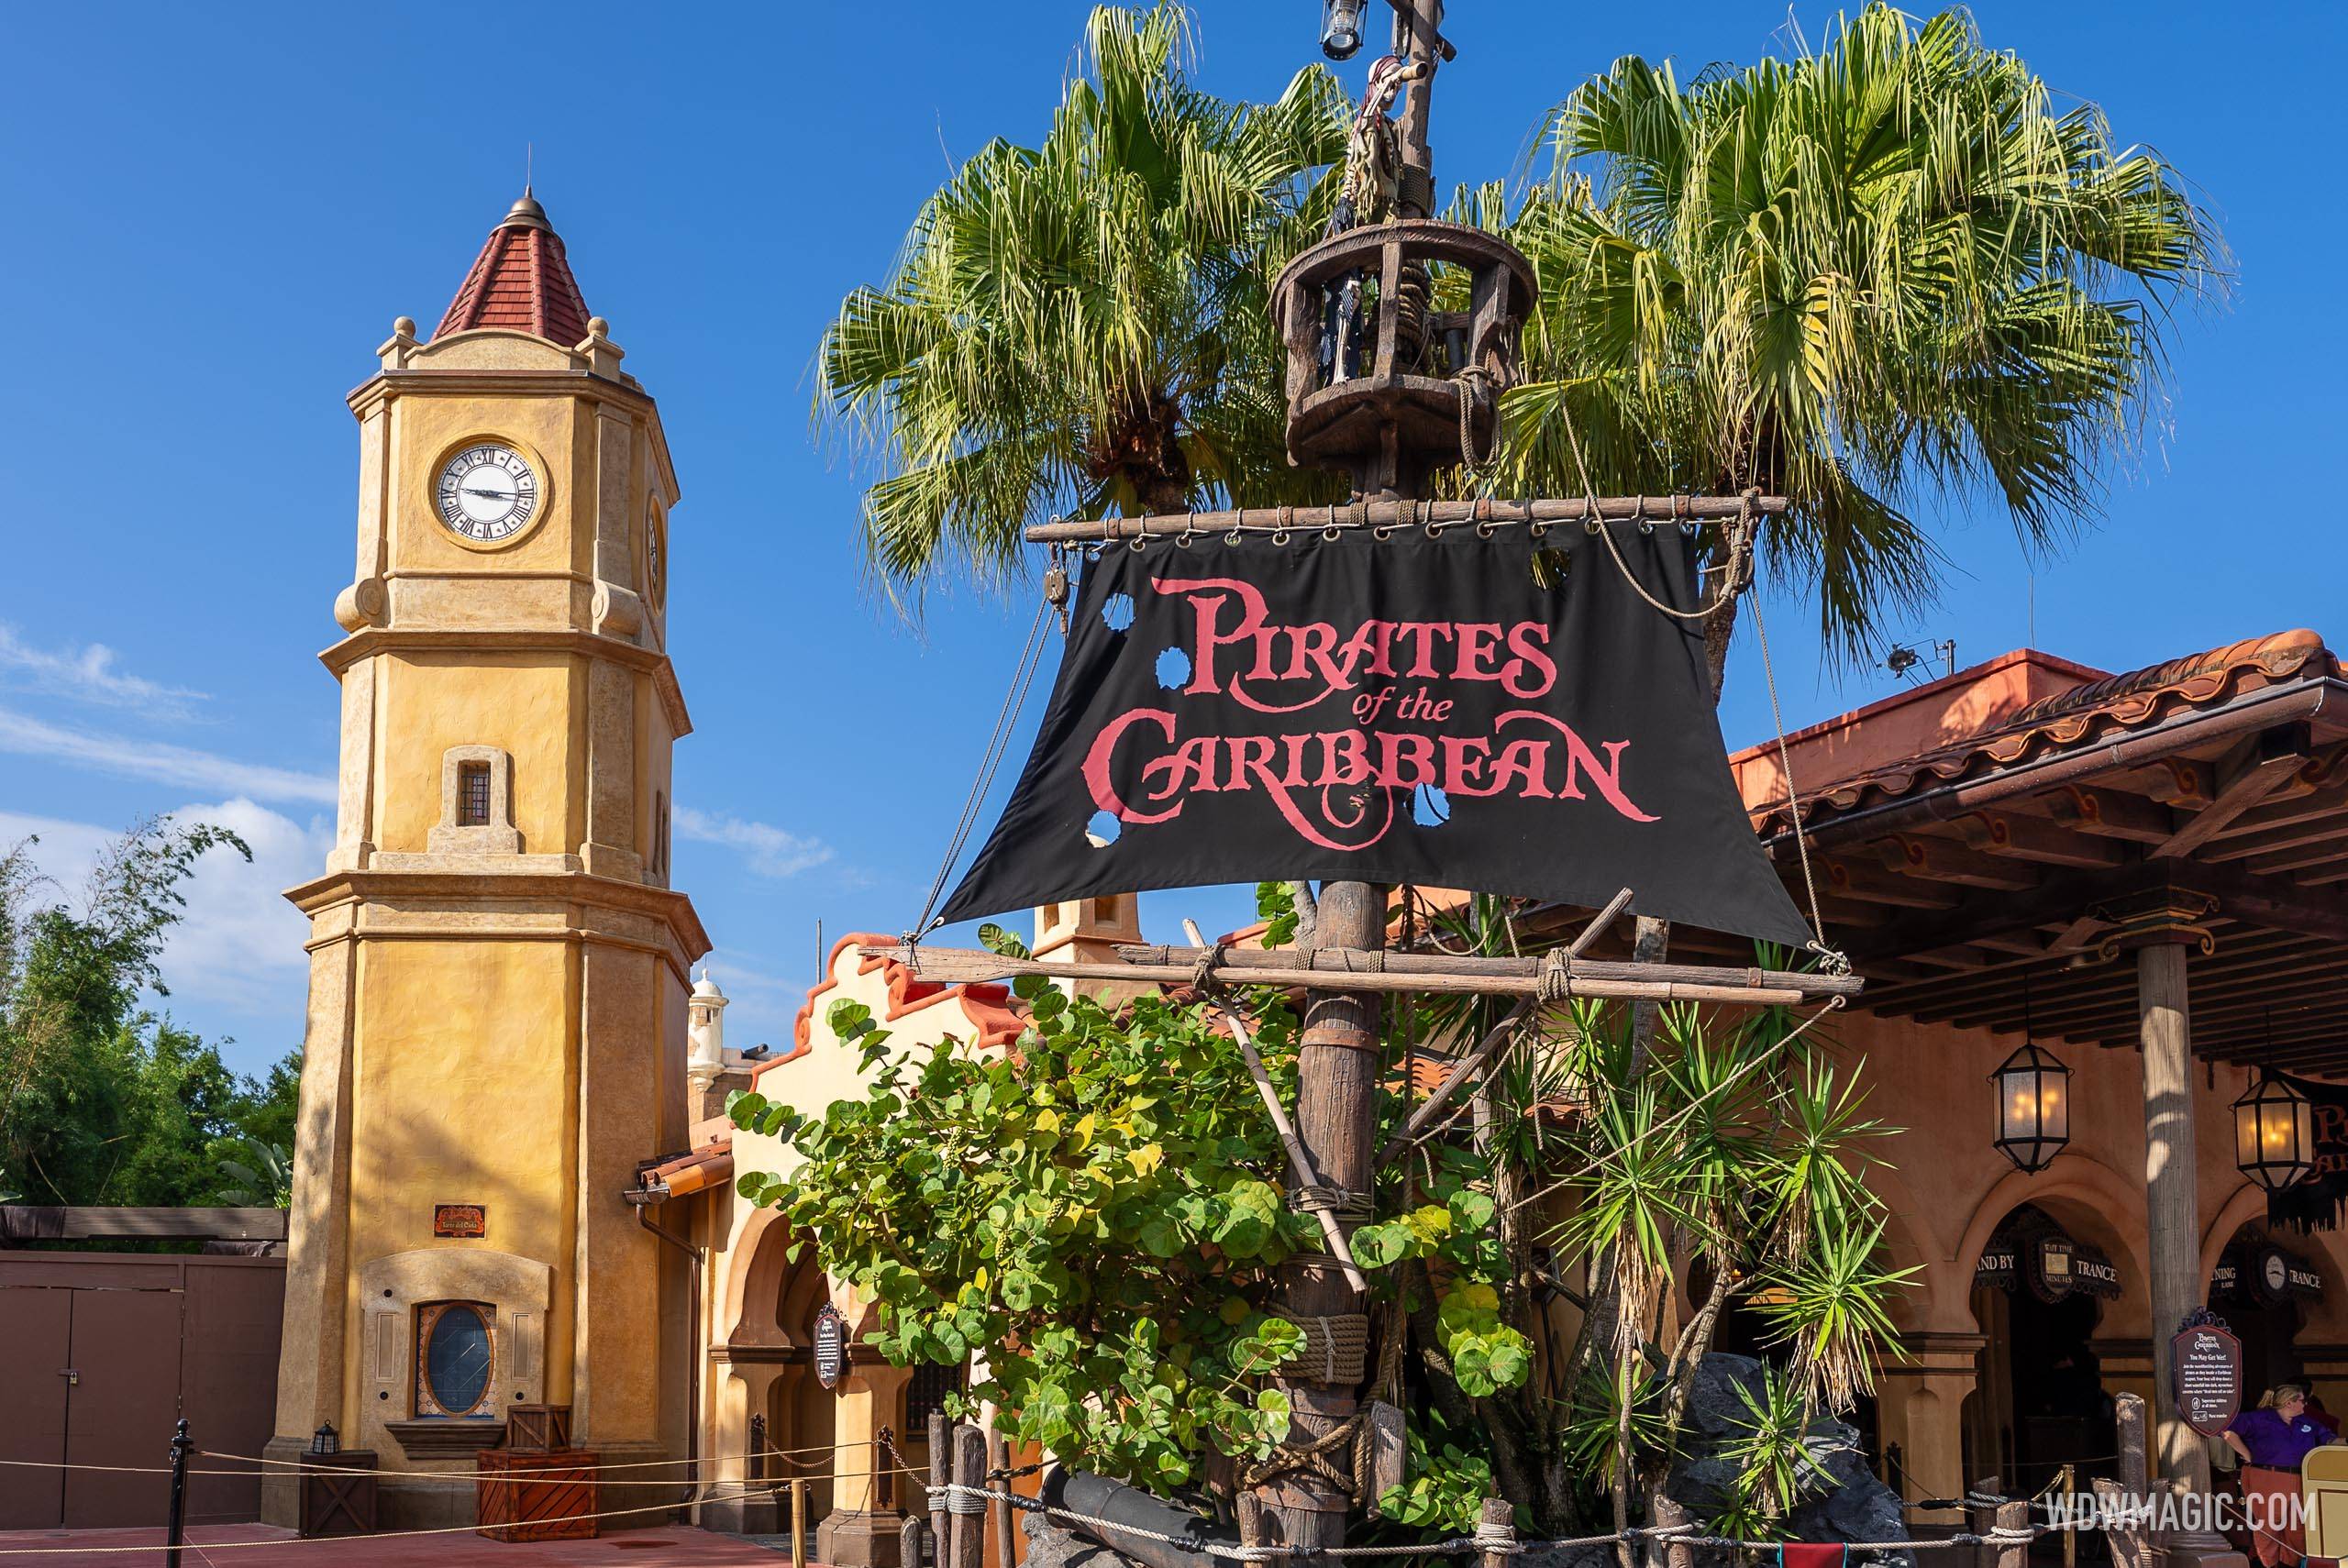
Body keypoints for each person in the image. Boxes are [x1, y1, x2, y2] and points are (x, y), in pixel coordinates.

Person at [2224, 1382, 2334, 1567]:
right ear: (2289, 1402)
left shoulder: (2306, 1422)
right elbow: (2228, 1431)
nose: (2305, 1404)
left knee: (2298, 1528)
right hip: (2268, 1476)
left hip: (2300, 1479)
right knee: (2269, 1525)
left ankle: (2289, 1564)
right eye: (2302, 1400)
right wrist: (2247, 1454)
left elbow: (2330, 1439)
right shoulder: (2260, 1418)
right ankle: (2268, 1564)